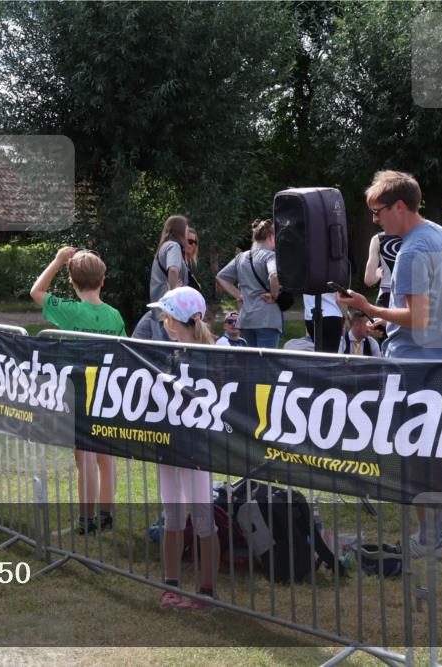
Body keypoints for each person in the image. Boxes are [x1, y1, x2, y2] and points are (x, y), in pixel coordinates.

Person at [337, 170, 442, 559]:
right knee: (434, 456)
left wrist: (367, 307)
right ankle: (439, 535)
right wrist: (386, 319)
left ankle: (429, 539)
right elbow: (431, 309)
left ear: (401, 206)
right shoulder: (441, 235)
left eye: (378, 211)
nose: (375, 220)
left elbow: (419, 317)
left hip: (416, 368)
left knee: (415, 458)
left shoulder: (410, 250)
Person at [31, 247, 126, 534]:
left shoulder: (70, 311)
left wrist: (58, 260)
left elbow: (37, 291)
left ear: (72, 283)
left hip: (79, 394)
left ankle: (86, 519)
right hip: (108, 394)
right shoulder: (114, 315)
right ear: (103, 281)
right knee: (105, 456)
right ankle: (106, 514)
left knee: (83, 456)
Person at [145, 286, 219, 611]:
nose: (163, 323)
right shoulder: (170, 355)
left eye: (167, 317)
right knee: (171, 517)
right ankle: (170, 585)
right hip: (169, 448)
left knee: (203, 520)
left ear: (182, 319)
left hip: (198, 452)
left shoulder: (212, 357)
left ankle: (206, 592)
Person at [215, 219, 283, 349]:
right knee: (266, 363)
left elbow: (221, 277)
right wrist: (274, 295)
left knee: (254, 363)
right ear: (270, 236)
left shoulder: (241, 257)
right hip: (267, 318)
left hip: (247, 318)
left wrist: (239, 295)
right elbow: (274, 275)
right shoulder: (270, 256)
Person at [145, 215, 190, 340]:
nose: (188, 231)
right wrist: (174, 292)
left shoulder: (164, 246)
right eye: (186, 228)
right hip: (169, 310)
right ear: (180, 230)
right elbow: (173, 269)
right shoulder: (173, 246)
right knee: (169, 351)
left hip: (161, 309)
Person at [364, 226, 402, 308]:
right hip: (410, 296)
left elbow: (369, 280)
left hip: (385, 296)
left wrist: (378, 273)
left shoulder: (377, 239)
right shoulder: (415, 237)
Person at [185, 225, 203, 293]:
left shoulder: (190, 263)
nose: (193, 245)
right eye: (190, 241)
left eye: (195, 242)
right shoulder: (177, 261)